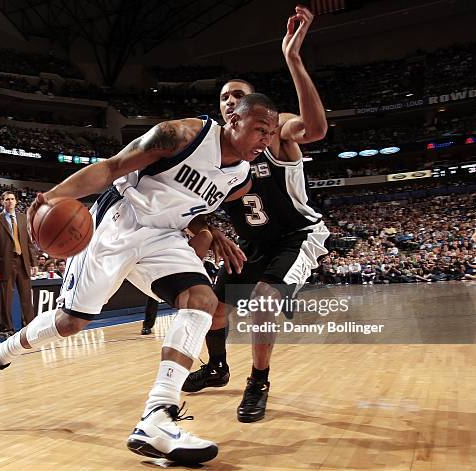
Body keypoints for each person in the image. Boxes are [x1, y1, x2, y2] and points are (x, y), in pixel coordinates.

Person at [0, 93, 278, 465]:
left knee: (202, 301)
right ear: (234, 122)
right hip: (120, 222)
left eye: (272, 134)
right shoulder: (181, 135)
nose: (266, 140)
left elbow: (191, 203)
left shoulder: (241, 177)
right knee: (70, 322)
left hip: (165, 238)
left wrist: (212, 230)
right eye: (260, 130)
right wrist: (52, 197)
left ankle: (157, 417)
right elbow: (111, 168)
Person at [182, 5, 330, 424]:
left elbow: (316, 129)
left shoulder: (275, 129)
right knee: (212, 307)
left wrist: (293, 60)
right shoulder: (213, 153)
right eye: (224, 97)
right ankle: (217, 366)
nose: (231, 100)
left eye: (238, 94)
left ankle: (258, 381)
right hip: (251, 242)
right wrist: (207, 229)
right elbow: (196, 207)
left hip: (295, 236)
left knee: (264, 301)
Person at [0, 191, 38, 332]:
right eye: (7, 199)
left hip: (23, 262)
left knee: (27, 298)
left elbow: (28, 243)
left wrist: (34, 263)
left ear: (16, 201)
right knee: (6, 300)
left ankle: (30, 327)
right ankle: (7, 328)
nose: (10, 201)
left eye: (12, 199)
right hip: (5, 264)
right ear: (3, 202)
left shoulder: (23, 218)